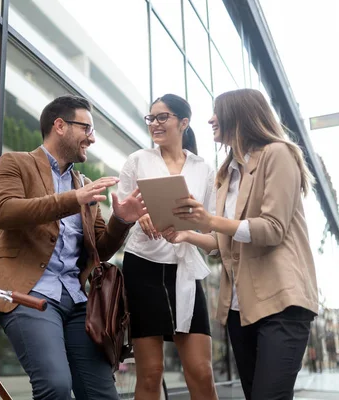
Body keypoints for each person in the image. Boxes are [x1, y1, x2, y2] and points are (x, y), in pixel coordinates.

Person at [0, 94, 147, 400]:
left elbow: (99, 248)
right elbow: (6, 212)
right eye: (86, 128)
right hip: (27, 292)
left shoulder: (83, 184)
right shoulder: (16, 163)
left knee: (102, 395)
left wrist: (122, 220)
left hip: (76, 300)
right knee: (56, 387)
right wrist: (73, 200)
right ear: (60, 125)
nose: (92, 138)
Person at [162, 88, 319, 400]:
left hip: (282, 302)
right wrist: (186, 234)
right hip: (239, 308)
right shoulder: (226, 173)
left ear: (239, 114)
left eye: (217, 112)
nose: (210, 119)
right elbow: (224, 243)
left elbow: (271, 229)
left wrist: (209, 221)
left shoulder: (278, 154)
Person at [117, 94, 218, 400]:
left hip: (184, 270)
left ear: (183, 123)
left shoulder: (204, 169)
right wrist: (139, 217)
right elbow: (121, 215)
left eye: (163, 117)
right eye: (151, 118)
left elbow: (213, 238)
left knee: (201, 370)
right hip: (143, 268)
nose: (155, 124)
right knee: (150, 373)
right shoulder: (137, 160)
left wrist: (186, 235)